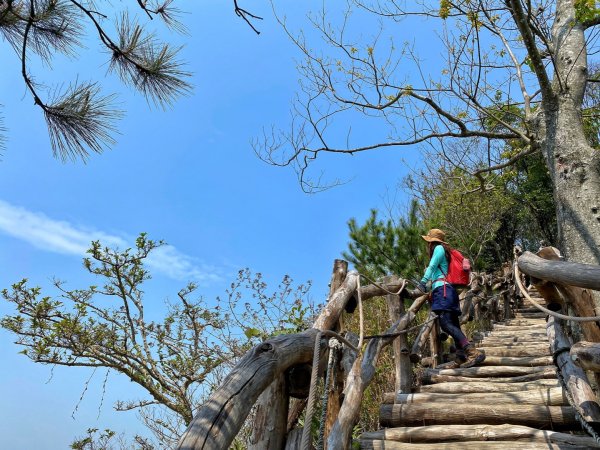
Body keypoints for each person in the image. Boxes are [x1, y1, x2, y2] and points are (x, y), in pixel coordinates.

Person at [417, 228, 485, 368]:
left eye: (428, 242)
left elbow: (432, 266)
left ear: (432, 242)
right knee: (453, 324)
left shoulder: (438, 249)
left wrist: (422, 283)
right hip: (448, 290)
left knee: (446, 324)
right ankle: (461, 356)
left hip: (443, 291)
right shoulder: (444, 250)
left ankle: (472, 351)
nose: (427, 245)